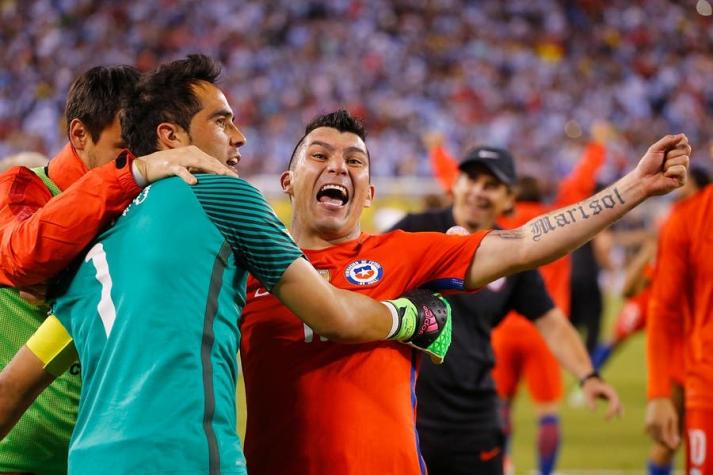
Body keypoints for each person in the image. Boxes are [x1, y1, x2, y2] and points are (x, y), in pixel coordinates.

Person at [0, 55, 447, 475]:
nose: (240, 136)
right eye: (221, 120)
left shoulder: (96, 245)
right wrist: (413, 317)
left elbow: (15, 384)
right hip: (186, 457)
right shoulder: (225, 195)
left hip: (89, 462)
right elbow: (333, 316)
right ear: (169, 138)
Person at [239, 107, 687, 474]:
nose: (338, 166)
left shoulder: (405, 254)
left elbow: (526, 242)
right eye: (319, 155)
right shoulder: (242, 271)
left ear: (369, 193)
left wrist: (634, 187)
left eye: (354, 161)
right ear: (287, 181)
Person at [0, 64, 237, 475]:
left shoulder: (139, 210)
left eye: (141, 154)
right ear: (79, 135)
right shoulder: (21, 188)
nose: (135, 161)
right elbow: (23, 256)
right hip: (17, 460)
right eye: (122, 151)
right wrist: (130, 175)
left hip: (98, 459)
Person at [392, 145, 617, 475]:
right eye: (472, 179)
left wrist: (588, 375)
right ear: (455, 183)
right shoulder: (412, 230)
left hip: (474, 421)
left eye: (492, 185)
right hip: (406, 414)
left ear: (509, 199)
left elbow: (551, 321)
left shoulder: (512, 255)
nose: (479, 191)